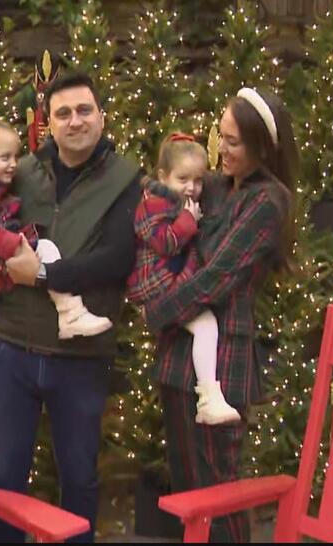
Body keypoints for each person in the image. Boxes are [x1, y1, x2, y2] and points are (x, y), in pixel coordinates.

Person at [0, 73, 141, 543]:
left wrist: (44, 275)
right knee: (3, 480)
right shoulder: (20, 171)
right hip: (9, 347)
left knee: (79, 479)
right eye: (63, 113)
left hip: (79, 358)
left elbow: (117, 261)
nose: (74, 121)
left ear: (101, 116)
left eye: (84, 110)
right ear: (48, 123)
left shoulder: (127, 181)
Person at [143, 87, 299, 542]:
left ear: (262, 146)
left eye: (234, 142)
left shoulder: (267, 202)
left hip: (223, 364)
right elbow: (157, 218)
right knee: (189, 492)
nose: (221, 150)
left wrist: (157, 307)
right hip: (179, 357)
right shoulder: (209, 185)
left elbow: (216, 277)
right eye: (220, 136)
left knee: (219, 491)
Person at [0, 112, 111, 339]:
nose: (13, 165)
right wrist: (17, 247)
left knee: (44, 249)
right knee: (45, 248)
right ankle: (71, 313)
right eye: (5, 158)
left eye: (15, 157)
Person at [127, 132, 239, 425]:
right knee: (205, 325)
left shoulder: (177, 205)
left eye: (198, 180)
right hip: (157, 284)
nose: (192, 188)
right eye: (183, 179)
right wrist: (189, 222)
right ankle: (208, 396)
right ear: (163, 176)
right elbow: (165, 242)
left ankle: (208, 396)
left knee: (205, 325)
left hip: (171, 281)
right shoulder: (151, 205)